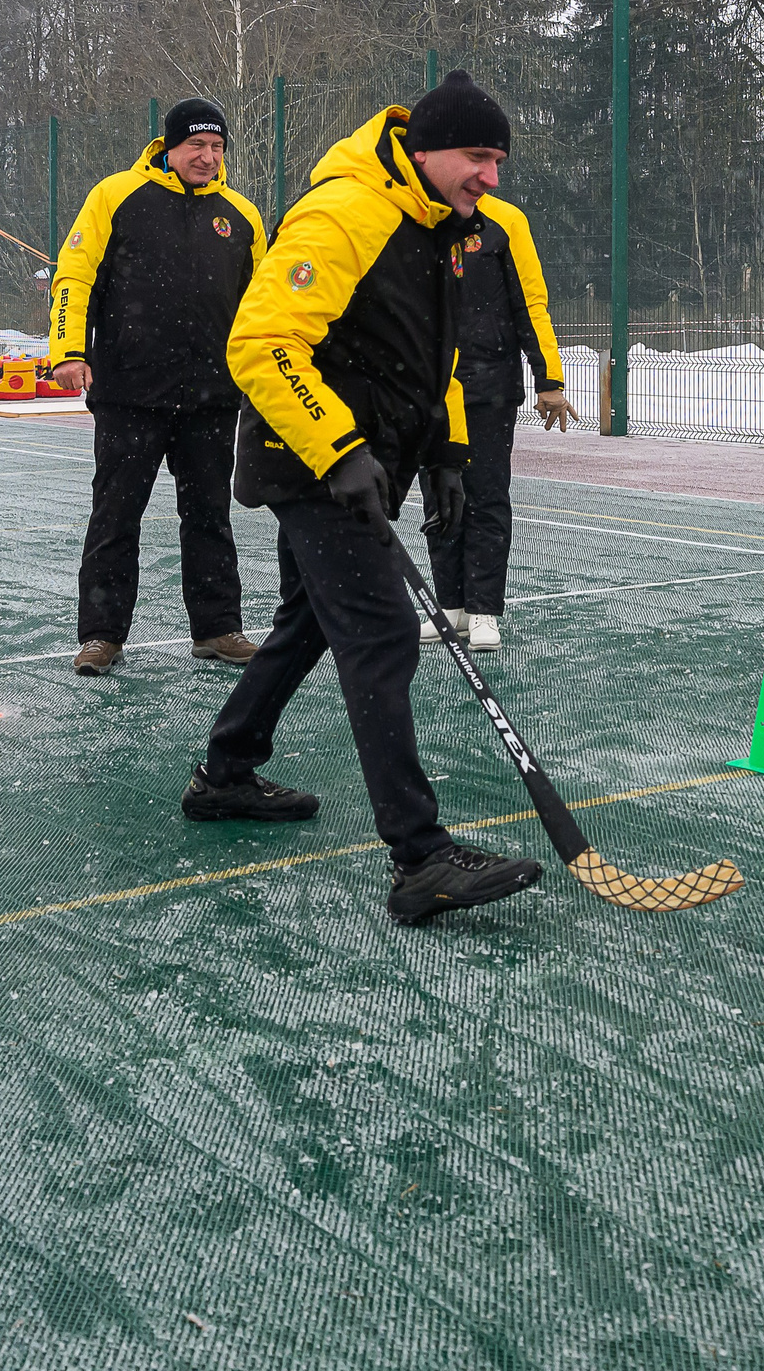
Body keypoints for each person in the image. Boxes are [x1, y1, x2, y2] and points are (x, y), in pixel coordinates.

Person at [182, 71, 546, 925]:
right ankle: (420, 858)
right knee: (381, 630)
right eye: (477, 157)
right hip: (310, 460)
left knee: (311, 619)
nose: (490, 177)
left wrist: (450, 453)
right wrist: (338, 449)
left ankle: (226, 772)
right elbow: (263, 345)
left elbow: (435, 355)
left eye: (498, 160)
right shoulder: (345, 214)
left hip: (369, 459)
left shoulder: (438, 223)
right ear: (425, 151)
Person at [50, 98, 266, 676]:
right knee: (116, 516)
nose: (208, 157)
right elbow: (75, 276)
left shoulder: (241, 215)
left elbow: (263, 306)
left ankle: (218, 630)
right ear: (168, 147)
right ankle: (101, 636)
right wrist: (69, 353)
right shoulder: (116, 196)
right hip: (130, 395)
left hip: (213, 399)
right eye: (197, 145)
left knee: (210, 517)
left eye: (217, 147)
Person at [416, 192, 577, 651]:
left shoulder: (506, 221)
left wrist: (549, 379)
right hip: (430, 391)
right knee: (439, 497)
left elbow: (531, 302)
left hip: (489, 390)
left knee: (485, 496)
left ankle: (484, 610)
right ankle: (451, 607)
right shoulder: (418, 217)